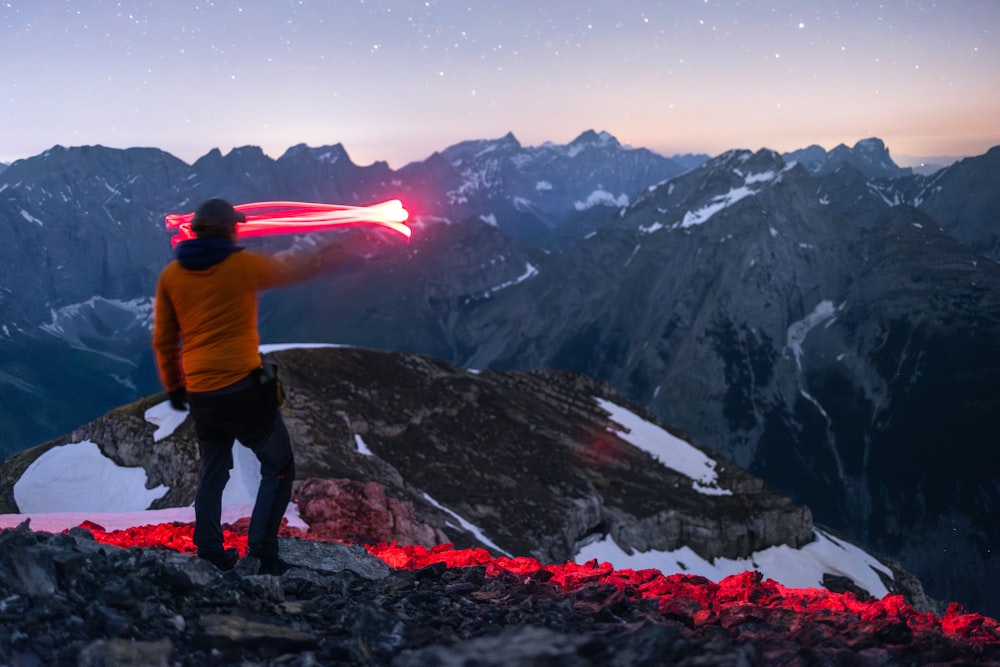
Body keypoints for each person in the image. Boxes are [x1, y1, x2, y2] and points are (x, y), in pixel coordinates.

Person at [152, 197, 391, 574]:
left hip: (201, 393)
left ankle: (210, 551)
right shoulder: (241, 267)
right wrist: (342, 243)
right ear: (229, 230)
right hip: (242, 390)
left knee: (213, 471)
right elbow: (295, 266)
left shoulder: (172, 276)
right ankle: (262, 550)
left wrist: (175, 386)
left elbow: (164, 338)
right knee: (278, 466)